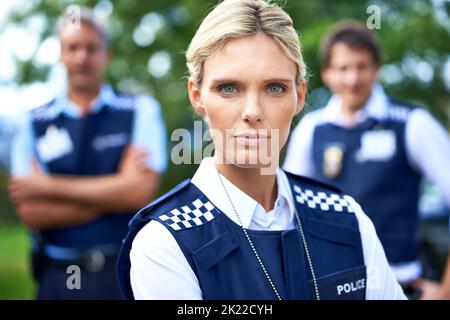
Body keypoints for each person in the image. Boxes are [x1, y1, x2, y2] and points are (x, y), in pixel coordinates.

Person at [117, 0, 405, 300]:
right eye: (229, 88)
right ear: (197, 96)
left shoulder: (347, 217)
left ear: (299, 96)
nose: (252, 112)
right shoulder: (164, 240)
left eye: (274, 88)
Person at [283, 21, 450, 299]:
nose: (353, 78)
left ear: (377, 68)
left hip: (400, 288)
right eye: (343, 68)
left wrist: (445, 291)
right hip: (328, 289)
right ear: (326, 73)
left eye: (361, 66)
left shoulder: (411, 123)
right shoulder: (312, 129)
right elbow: (287, 214)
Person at [8, 7, 167, 299]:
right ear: (60, 54)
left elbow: (140, 193)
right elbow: (32, 212)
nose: (82, 57)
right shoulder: (30, 122)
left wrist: (48, 186)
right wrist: (116, 191)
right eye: (73, 48)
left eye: (92, 48)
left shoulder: (140, 110)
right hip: (57, 275)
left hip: (123, 272)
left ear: (106, 55)